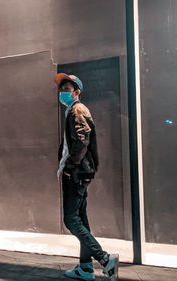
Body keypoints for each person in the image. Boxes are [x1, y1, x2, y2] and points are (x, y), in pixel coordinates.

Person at [55, 73, 119, 281]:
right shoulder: (72, 111)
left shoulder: (78, 109)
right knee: (81, 219)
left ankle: (105, 259)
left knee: (71, 220)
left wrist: (70, 167)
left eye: (67, 89)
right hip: (79, 172)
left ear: (77, 92)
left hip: (76, 172)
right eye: (61, 89)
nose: (62, 92)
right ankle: (85, 268)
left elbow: (82, 141)